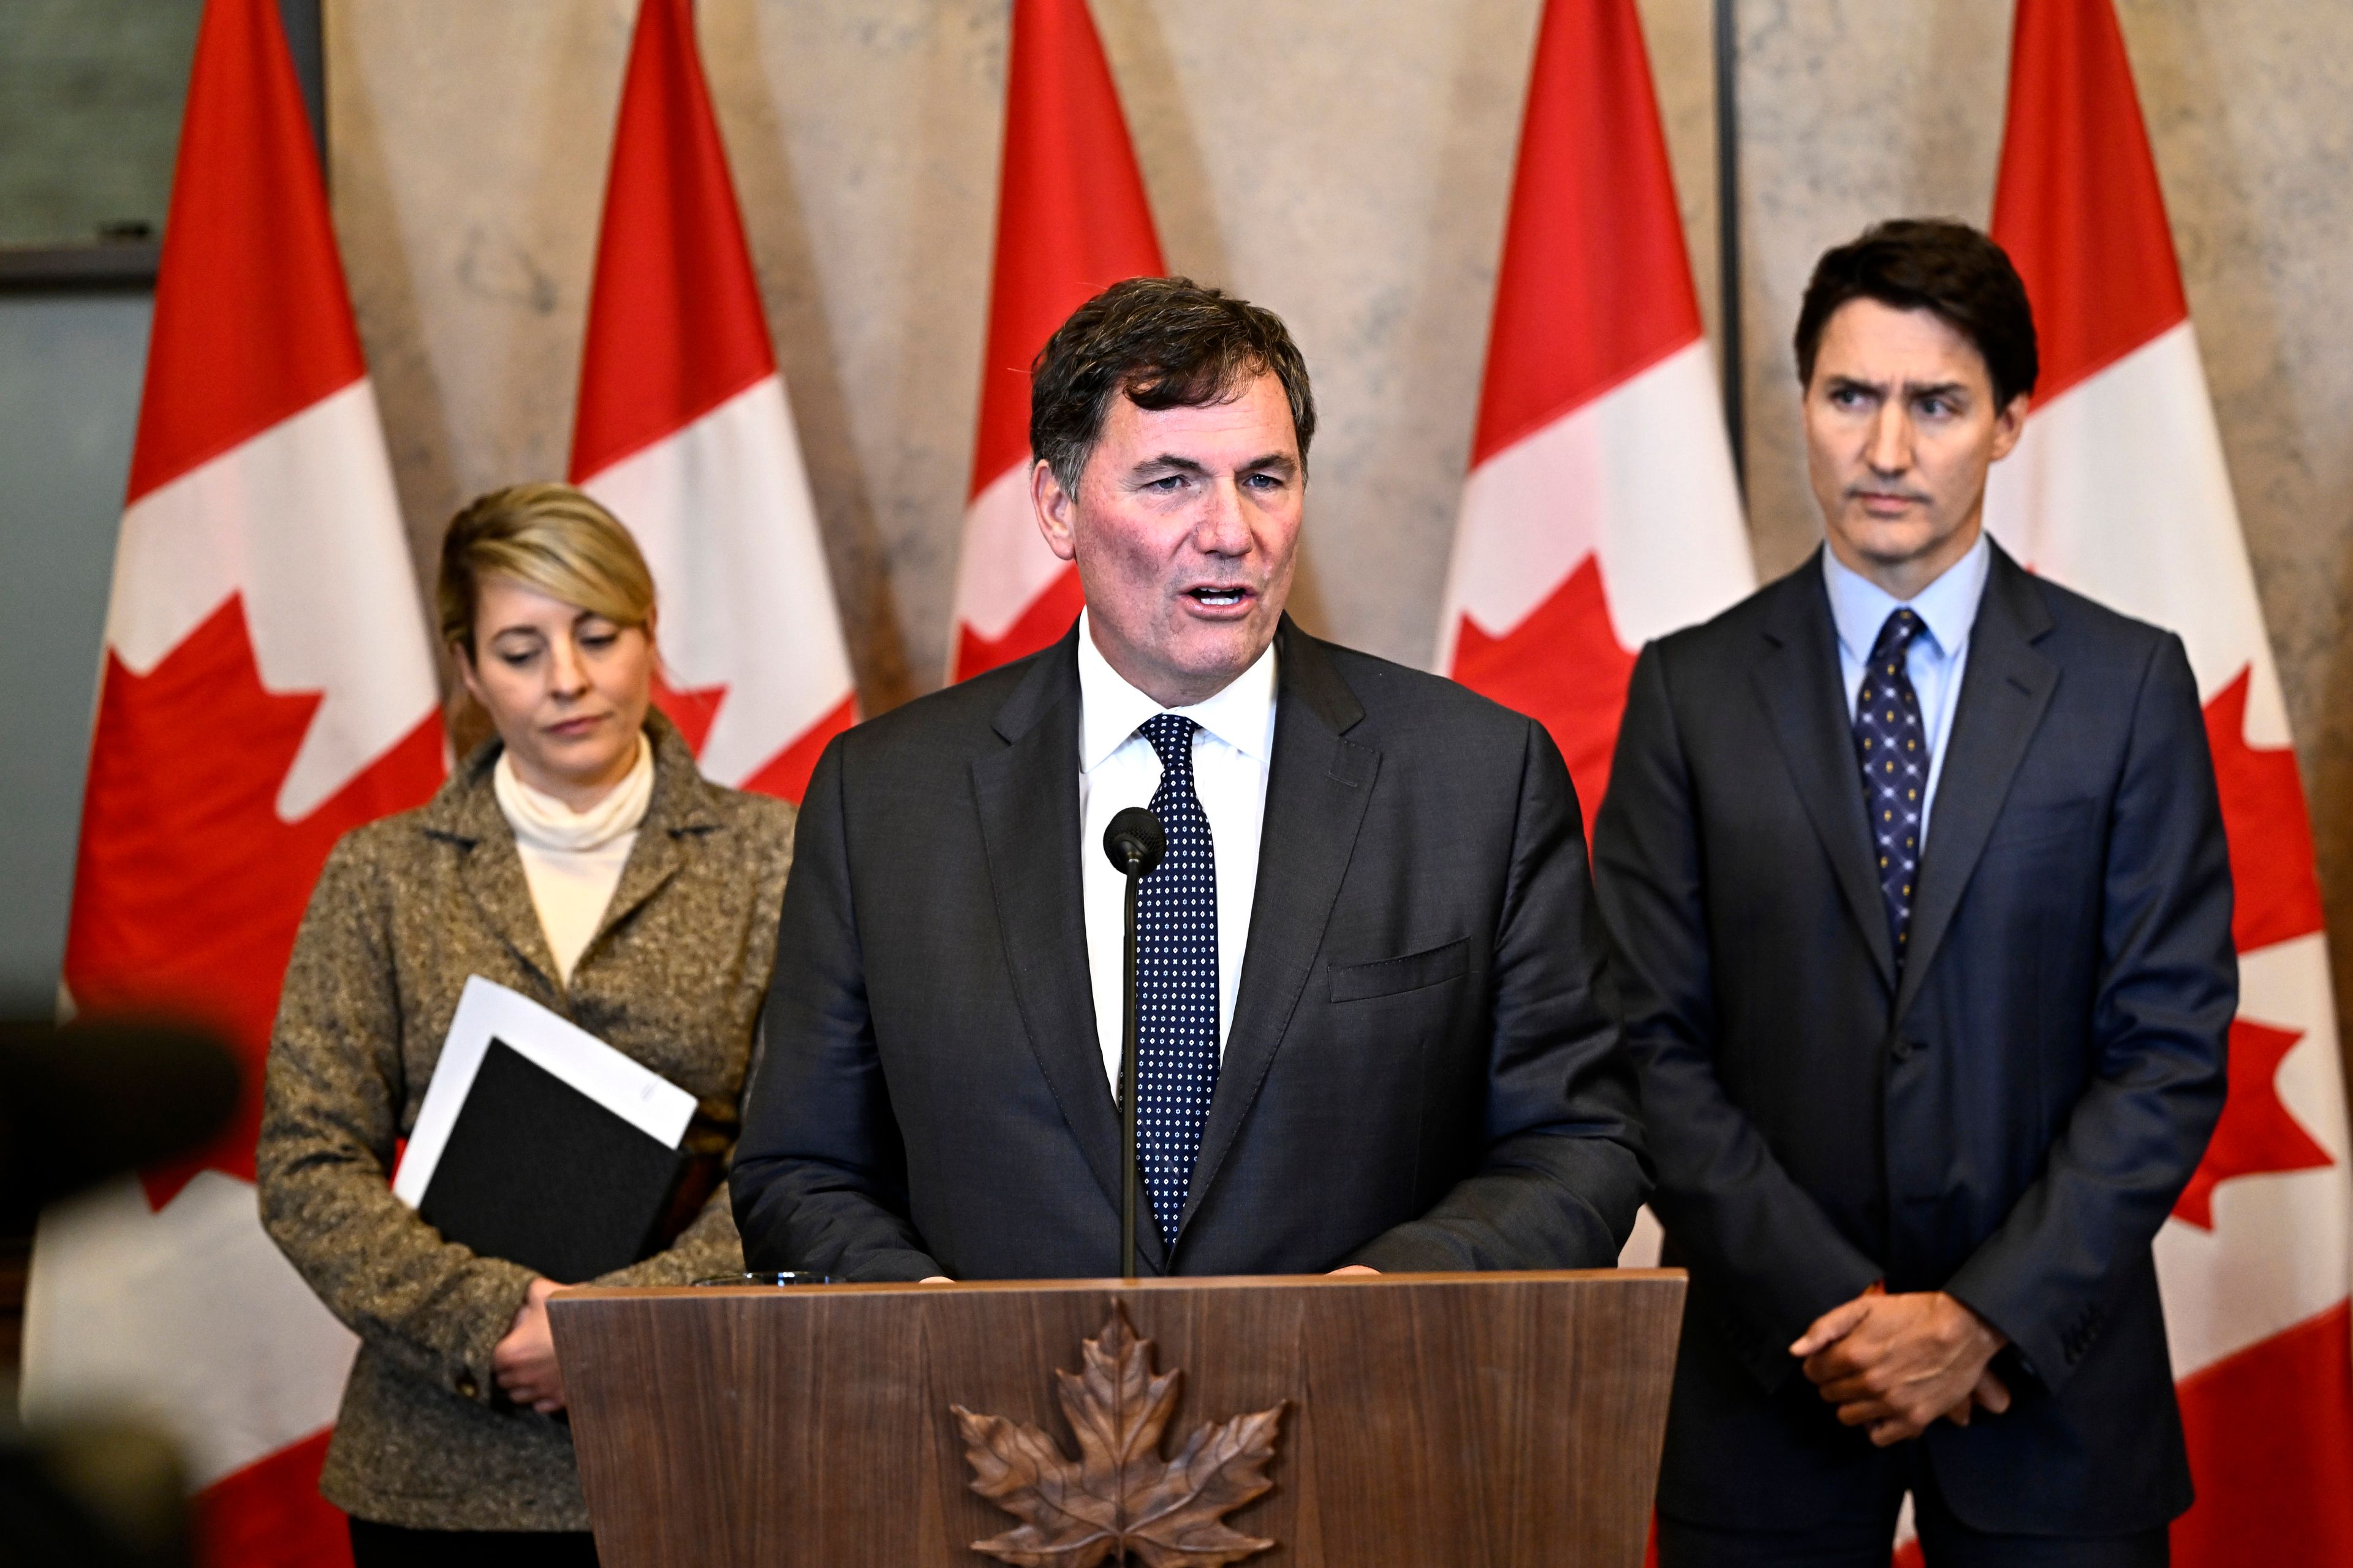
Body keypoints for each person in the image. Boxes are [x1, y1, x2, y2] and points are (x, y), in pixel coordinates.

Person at [731, 276, 1645, 1282]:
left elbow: (1578, 1145)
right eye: (1170, 481)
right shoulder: (887, 799)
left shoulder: (1477, 780)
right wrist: (938, 1328)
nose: (1229, 532)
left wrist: (1388, 1305)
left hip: (1364, 1413)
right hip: (993, 1426)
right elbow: (799, 1169)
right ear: (1057, 505)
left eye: (1265, 479)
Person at [1591, 219, 2235, 1567]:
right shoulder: (1688, 691)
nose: (1887, 449)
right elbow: (1646, 1045)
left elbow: (2168, 1049)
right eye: (1850, 397)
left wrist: (1980, 1318)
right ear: (1807, 406)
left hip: (2051, 1393)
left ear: (2008, 421)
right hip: (1769, 1388)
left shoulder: (2128, 690)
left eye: (1936, 403)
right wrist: (1840, 1310)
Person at [257, 484, 794, 1566]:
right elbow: (307, 1163)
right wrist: (497, 1321)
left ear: (650, 631)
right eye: (519, 649)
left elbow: (807, 1158)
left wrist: (607, 1335)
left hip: (703, 1446)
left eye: (599, 635)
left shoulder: (776, 857)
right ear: (465, 669)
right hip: (437, 1470)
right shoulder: (382, 875)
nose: (568, 680)